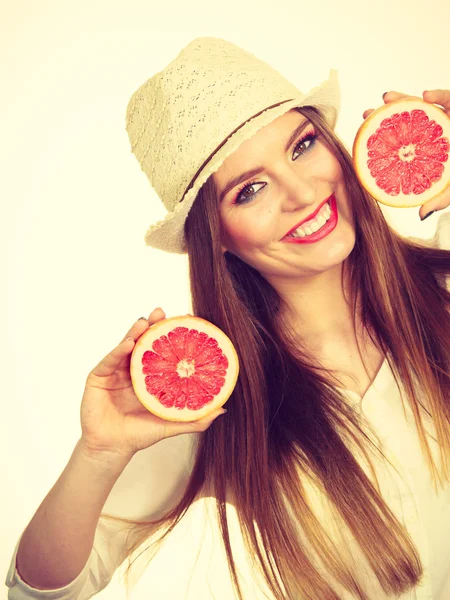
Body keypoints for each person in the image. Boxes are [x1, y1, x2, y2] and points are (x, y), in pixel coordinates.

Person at [5, 37, 450, 600]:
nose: (303, 192)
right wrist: (98, 453)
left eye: (302, 145)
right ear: (216, 241)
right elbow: (40, 591)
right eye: (250, 190)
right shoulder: (217, 401)